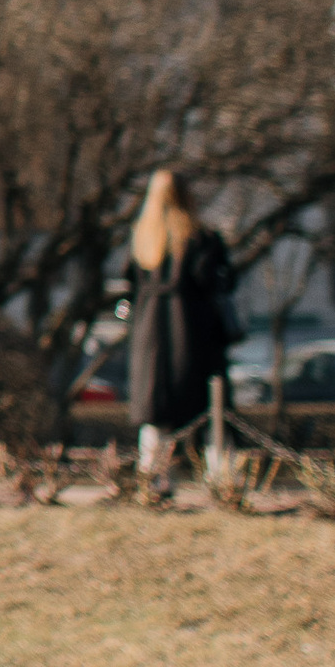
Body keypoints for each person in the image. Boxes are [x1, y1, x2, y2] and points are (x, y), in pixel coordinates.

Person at [127, 169, 236, 481]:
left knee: (156, 415)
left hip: (150, 339)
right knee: (212, 412)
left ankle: (154, 481)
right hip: (194, 334)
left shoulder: (142, 241)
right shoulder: (200, 239)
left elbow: (128, 288)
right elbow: (217, 282)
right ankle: (223, 481)